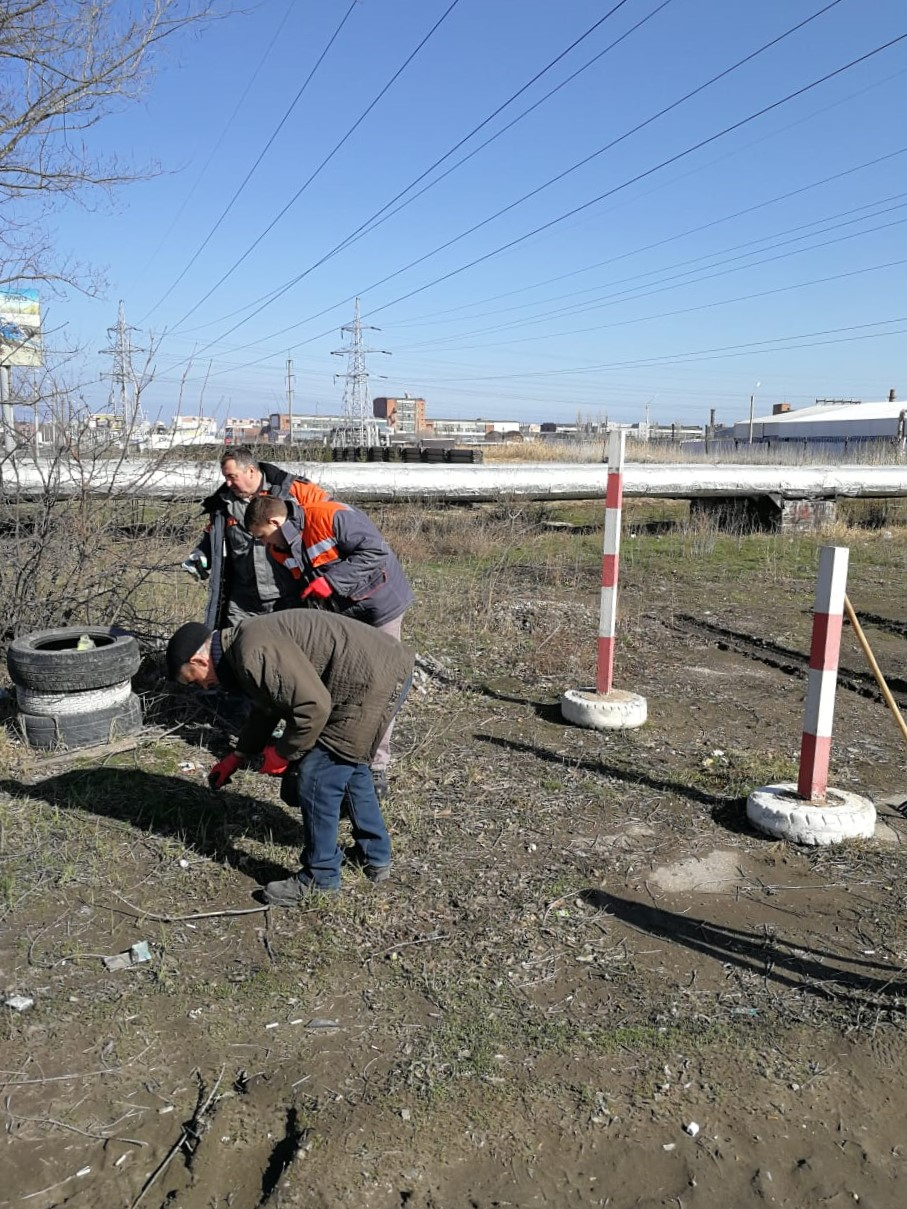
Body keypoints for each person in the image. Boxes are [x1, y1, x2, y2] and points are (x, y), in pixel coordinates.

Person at [166, 611, 414, 904]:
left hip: (368, 683)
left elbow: (312, 707)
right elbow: (268, 705)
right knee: (350, 766)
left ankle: (320, 878)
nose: (202, 686)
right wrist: (239, 755)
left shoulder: (251, 653)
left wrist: (283, 754)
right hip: (382, 669)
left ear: (199, 661)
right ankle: (374, 856)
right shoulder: (242, 646)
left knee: (317, 776)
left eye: (194, 680)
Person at [243, 493, 415, 796]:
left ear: (275, 521)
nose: (264, 546)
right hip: (340, 617)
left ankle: (376, 767)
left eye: (264, 537)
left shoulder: (329, 516)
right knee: (339, 684)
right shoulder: (278, 551)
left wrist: (332, 582)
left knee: (380, 685)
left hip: (380, 604)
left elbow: (376, 553)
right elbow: (292, 596)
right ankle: (335, 755)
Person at [182, 446, 331, 625]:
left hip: (289, 598)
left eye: (232, 477)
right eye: (225, 478)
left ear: (251, 471)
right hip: (243, 604)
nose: (228, 483)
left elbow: (333, 519)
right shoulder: (223, 504)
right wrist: (201, 555)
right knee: (234, 648)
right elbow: (213, 537)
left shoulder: (294, 491)